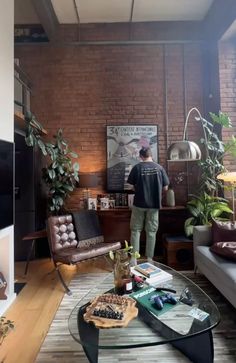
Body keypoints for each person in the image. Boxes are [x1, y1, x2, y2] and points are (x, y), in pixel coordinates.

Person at [127, 147, 169, 261]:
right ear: (151, 155)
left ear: (141, 156)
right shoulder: (159, 168)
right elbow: (165, 187)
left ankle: (134, 259)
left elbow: (130, 186)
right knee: (151, 232)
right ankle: (149, 258)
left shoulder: (137, 168)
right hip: (154, 205)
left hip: (139, 203)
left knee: (136, 230)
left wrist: (138, 189)